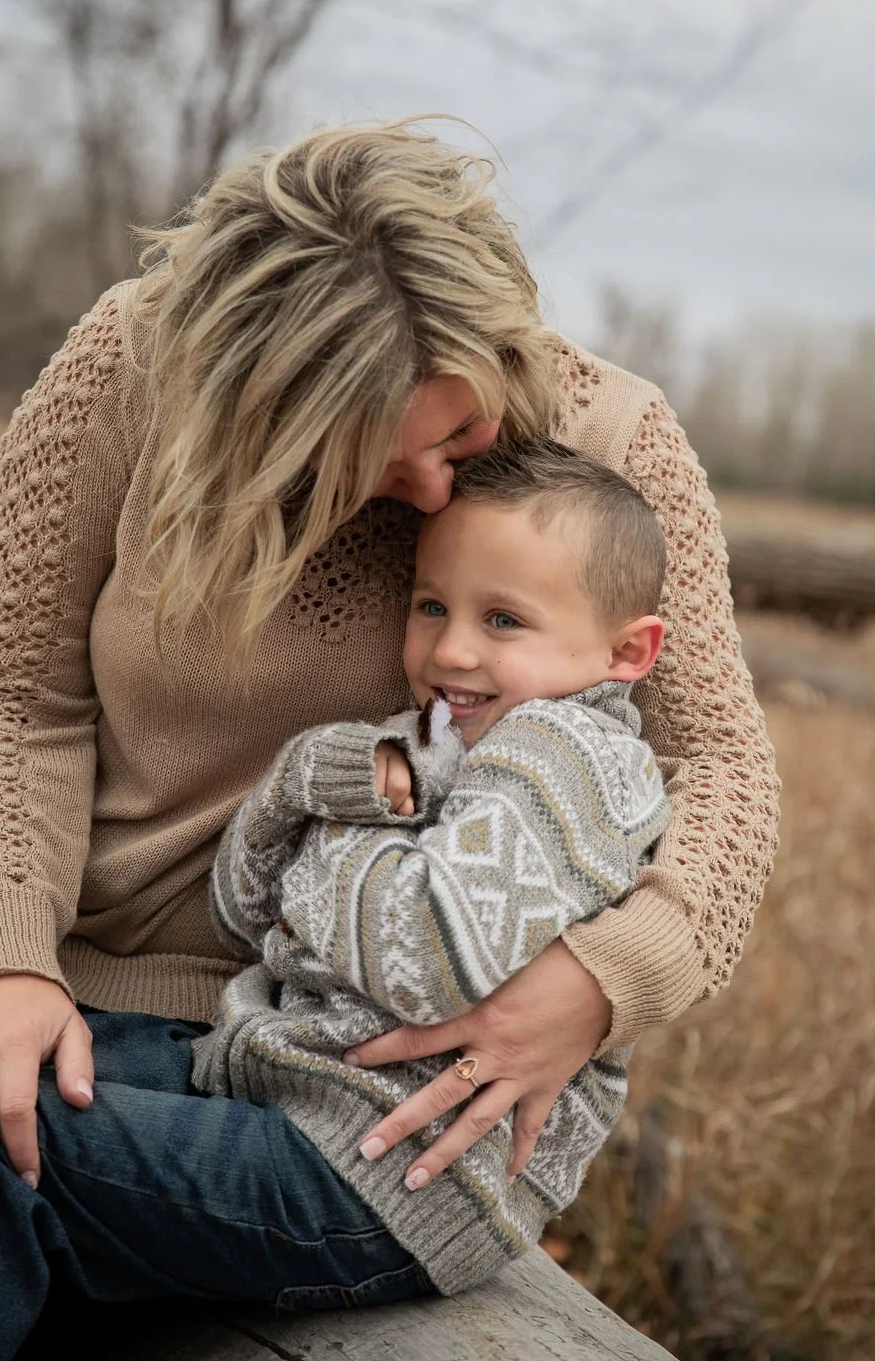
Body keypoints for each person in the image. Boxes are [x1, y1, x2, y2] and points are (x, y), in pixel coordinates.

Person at [0, 119, 780, 1354]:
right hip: (84, 982)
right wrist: (4, 958)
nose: (440, 497)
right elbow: (9, 699)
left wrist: (602, 984)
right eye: (368, 465)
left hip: (338, 1065)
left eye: (457, 441)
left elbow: (720, 766)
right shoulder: (129, 369)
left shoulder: (611, 444)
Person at [193, 438, 672, 1295]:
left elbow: (421, 955)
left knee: (23, 1162)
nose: (450, 652)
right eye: (430, 606)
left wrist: (327, 834)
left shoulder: (568, 755)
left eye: (503, 620)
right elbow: (241, 910)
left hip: (393, 1170)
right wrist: (315, 771)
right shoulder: (437, 740)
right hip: (301, 1094)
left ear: (627, 653)